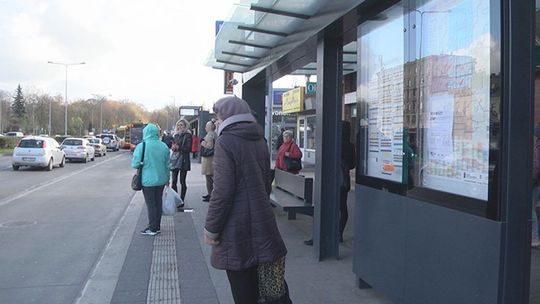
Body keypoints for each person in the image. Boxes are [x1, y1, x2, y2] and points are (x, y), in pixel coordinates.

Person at [204, 96, 291, 304]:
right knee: (269, 289)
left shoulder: (226, 141)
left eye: (217, 116)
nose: (216, 121)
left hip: (236, 229)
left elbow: (222, 192)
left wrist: (211, 229)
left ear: (226, 116)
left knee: (243, 290)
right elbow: (264, 181)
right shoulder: (259, 140)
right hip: (263, 223)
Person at [131, 123, 170, 236]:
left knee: (151, 204)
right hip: (161, 179)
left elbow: (135, 164)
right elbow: (168, 165)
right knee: (158, 202)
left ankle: (152, 228)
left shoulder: (141, 146)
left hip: (147, 181)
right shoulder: (163, 146)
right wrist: (168, 178)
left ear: (145, 133)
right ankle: (157, 226)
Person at [339, 121, 356, 243]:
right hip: (344, 181)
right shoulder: (350, 146)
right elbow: (352, 164)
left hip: (333, 181)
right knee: (343, 208)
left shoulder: (334, 143)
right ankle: (339, 233)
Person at [170, 119, 192, 205]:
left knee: (182, 181)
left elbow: (188, 149)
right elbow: (174, 147)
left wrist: (178, 147)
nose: (179, 127)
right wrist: (173, 147)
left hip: (184, 160)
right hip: (176, 159)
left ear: (185, 126)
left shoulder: (188, 135)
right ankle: (176, 199)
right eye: (178, 125)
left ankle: (182, 200)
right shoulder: (175, 135)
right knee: (174, 180)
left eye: (181, 125)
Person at [201, 120, 217, 202]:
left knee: (209, 178)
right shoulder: (214, 134)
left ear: (210, 127)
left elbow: (210, 146)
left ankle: (210, 194)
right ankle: (210, 193)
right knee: (211, 178)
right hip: (211, 158)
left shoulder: (210, 135)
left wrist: (202, 142)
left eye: (207, 126)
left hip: (209, 159)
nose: (205, 128)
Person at [532, 123, 540, 248]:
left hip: (536, 182)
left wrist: (531, 181)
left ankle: (534, 237)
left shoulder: (538, 147)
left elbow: (537, 166)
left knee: (529, 208)